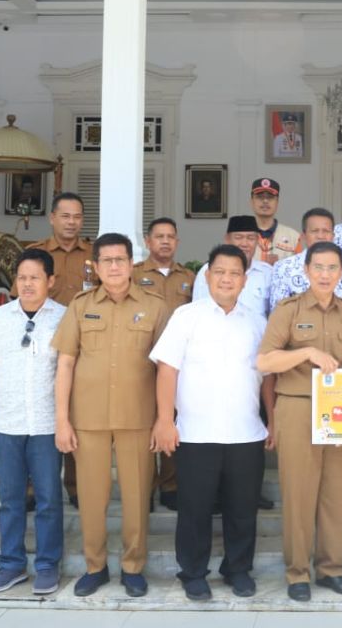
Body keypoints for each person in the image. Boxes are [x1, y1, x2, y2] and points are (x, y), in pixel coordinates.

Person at [150, 244, 270, 601]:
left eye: (235, 273)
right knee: (195, 509)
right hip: (196, 434)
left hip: (246, 433)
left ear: (245, 280)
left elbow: (269, 378)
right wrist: (164, 420)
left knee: (242, 510)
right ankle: (192, 572)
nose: (227, 279)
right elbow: (166, 368)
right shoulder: (186, 316)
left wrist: (273, 421)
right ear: (207, 275)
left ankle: (238, 569)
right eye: (220, 272)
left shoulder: (257, 322)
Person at [51, 233, 168, 598]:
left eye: (121, 259)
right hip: (88, 418)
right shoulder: (80, 306)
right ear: (96, 266)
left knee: (136, 497)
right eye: (107, 261)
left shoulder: (156, 306)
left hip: (138, 417)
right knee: (91, 497)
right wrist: (61, 419)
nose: (115, 267)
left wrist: (165, 418)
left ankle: (133, 567)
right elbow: (66, 362)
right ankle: (95, 566)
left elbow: (167, 366)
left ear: (132, 263)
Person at [257, 241, 342, 602]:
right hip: (297, 407)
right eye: (318, 267)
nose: (325, 274)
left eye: (332, 268)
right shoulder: (288, 310)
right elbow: (264, 362)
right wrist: (307, 352)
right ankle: (297, 573)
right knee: (299, 493)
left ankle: (330, 569)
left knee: (335, 494)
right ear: (306, 271)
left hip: (338, 410)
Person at [0, 248, 66, 596]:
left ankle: (47, 565)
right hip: (6, 425)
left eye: (35, 277)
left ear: (50, 281)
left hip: (47, 425)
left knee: (49, 498)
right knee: (10, 499)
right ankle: (11, 564)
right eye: (21, 277)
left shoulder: (64, 318)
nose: (27, 284)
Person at [27, 192, 93, 507]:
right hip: (39, 350)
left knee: (76, 417)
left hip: (81, 350)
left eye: (77, 216)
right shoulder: (35, 254)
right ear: (52, 217)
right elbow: (22, 299)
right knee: (38, 417)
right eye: (65, 216)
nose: (71, 222)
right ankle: (32, 489)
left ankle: (78, 487)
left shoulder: (94, 255)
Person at [131, 217, 196, 511]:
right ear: (148, 241)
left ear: (178, 242)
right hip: (142, 359)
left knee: (171, 420)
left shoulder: (189, 278)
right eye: (159, 236)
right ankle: (145, 486)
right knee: (145, 423)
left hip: (178, 364)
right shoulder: (133, 274)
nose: (166, 241)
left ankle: (170, 485)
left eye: (171, 236)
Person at [270, 208, 342, 310]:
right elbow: (278, 312)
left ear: (333, 236)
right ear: (304, 236)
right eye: (314, 231)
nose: (320, 236)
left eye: (326, 231)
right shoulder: (283, 267)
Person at [193, 215, 273, 318]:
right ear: (227, 239)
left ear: (258, 240)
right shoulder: (209, 270)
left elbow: (274, 315)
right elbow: (198, 309)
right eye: (238, 237)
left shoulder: (267, 273)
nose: (244, 243)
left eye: (250, 238)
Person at [249, 177, 301, 263]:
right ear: (252, 201)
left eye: (270, 197)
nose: (265, 201)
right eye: (259, 197)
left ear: (277, 202)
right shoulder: (240, 236)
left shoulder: (293, 237)